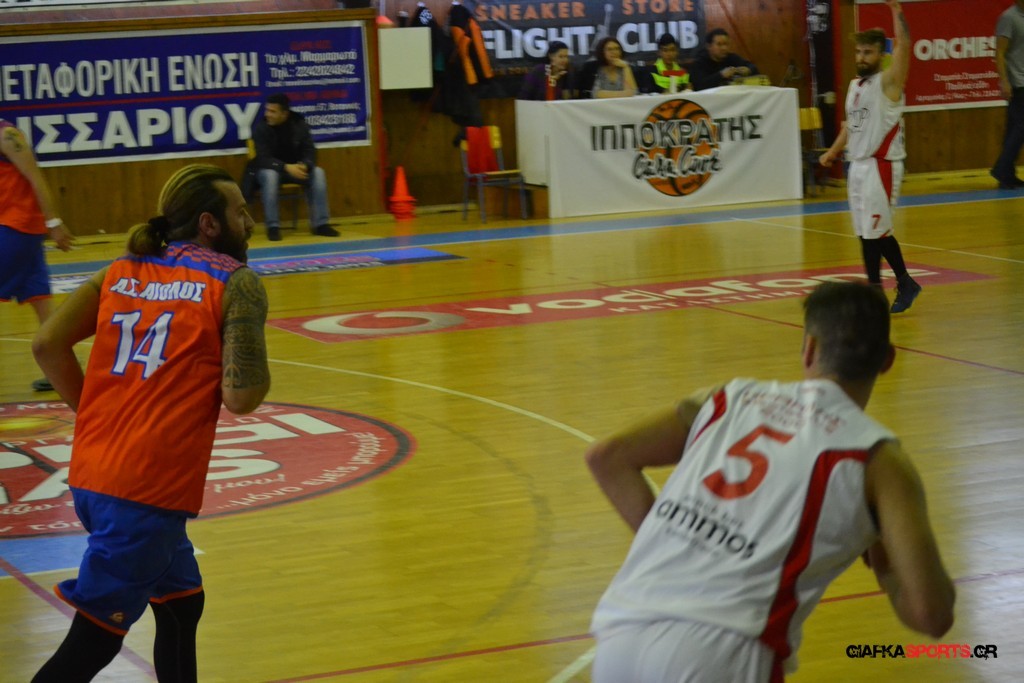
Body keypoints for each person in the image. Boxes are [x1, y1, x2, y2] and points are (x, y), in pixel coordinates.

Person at [587, 281, 955, 683]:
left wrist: (675, 541)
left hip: (621, 634)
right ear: (887, 360)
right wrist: (886, 569)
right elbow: (931, 614)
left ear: (809, 348)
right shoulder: (879, 461)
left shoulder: (727, 398)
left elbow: (606, 457)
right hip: (723, 652)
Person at [31, 164, 271, 683]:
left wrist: (95, 416)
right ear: (209, 224)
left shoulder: (120, 269)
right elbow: (242, 398)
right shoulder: (235, 282)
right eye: (240, 212)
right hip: (147, 492)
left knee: (182, 602)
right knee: (94, 640)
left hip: (94, 475)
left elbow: (47, 345)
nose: (250, 222)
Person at [820, 0, 921, 313]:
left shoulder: (888, 83)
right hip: (858, 166)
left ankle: (891, 287)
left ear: (881, 54)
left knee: (877, 232)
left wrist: (896, 9)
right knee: (866, 233)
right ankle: (890, 287)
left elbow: (905, 44)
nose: (862, 57)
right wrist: (833, 151)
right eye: (859, 51)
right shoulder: (855, 86)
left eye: (869, 52)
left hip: (881, 165)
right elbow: (851, 126)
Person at [1, 118, 75, 392]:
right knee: (42, 301)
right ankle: (60, 371)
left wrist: (53, 222)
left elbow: (35, 177)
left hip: (14, 229)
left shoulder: (7, 135)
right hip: (22, 231)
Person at [251, 94, 337, 241]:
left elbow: (310, 150)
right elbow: (262, 159)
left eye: (272, 111)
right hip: (270, 170)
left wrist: (305, 165)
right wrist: (285, 167)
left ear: (284, 114)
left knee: (318, 172)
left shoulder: (299, 124)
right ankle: (273, 227)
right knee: (270, 176)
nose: (267, 114)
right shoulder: (261, 128)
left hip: (296, 170)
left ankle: (321, 224)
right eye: (267, 110)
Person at [990, 0, 1024, 189]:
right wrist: (1004, 81)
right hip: (1018, 82)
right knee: (1020, 127)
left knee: (1013, 129)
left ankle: (1007, 174)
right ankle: (1001, 168)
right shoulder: (1009, 18)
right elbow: (1000, 52)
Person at [689, 28, 760, 91]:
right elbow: (699, 86)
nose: (724, 48)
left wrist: (748, 70)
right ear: (709, 46)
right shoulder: (699, 63)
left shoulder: (732, 58)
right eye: (719, 44)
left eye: (726, 44)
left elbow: (754, 68)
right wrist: (721, 75)